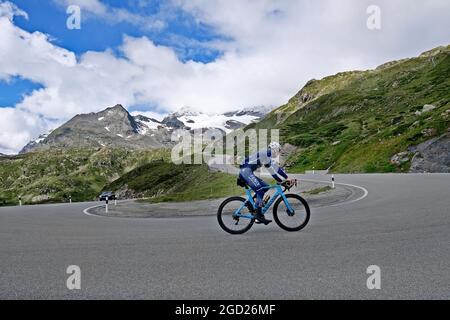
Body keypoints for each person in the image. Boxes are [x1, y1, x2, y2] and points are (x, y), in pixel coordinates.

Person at [238, 141, 291, 225]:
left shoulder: (266, 157)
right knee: (259, 190)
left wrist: (282, 180)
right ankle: (258, 214)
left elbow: (273, 172)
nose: (278, 153)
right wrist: (286, 179)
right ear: (274, 149)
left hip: (247, 171)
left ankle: (255, 206)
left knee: (265, 187)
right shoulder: (266, 153)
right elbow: (276, 169)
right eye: (278, 150)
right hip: (246, 171)